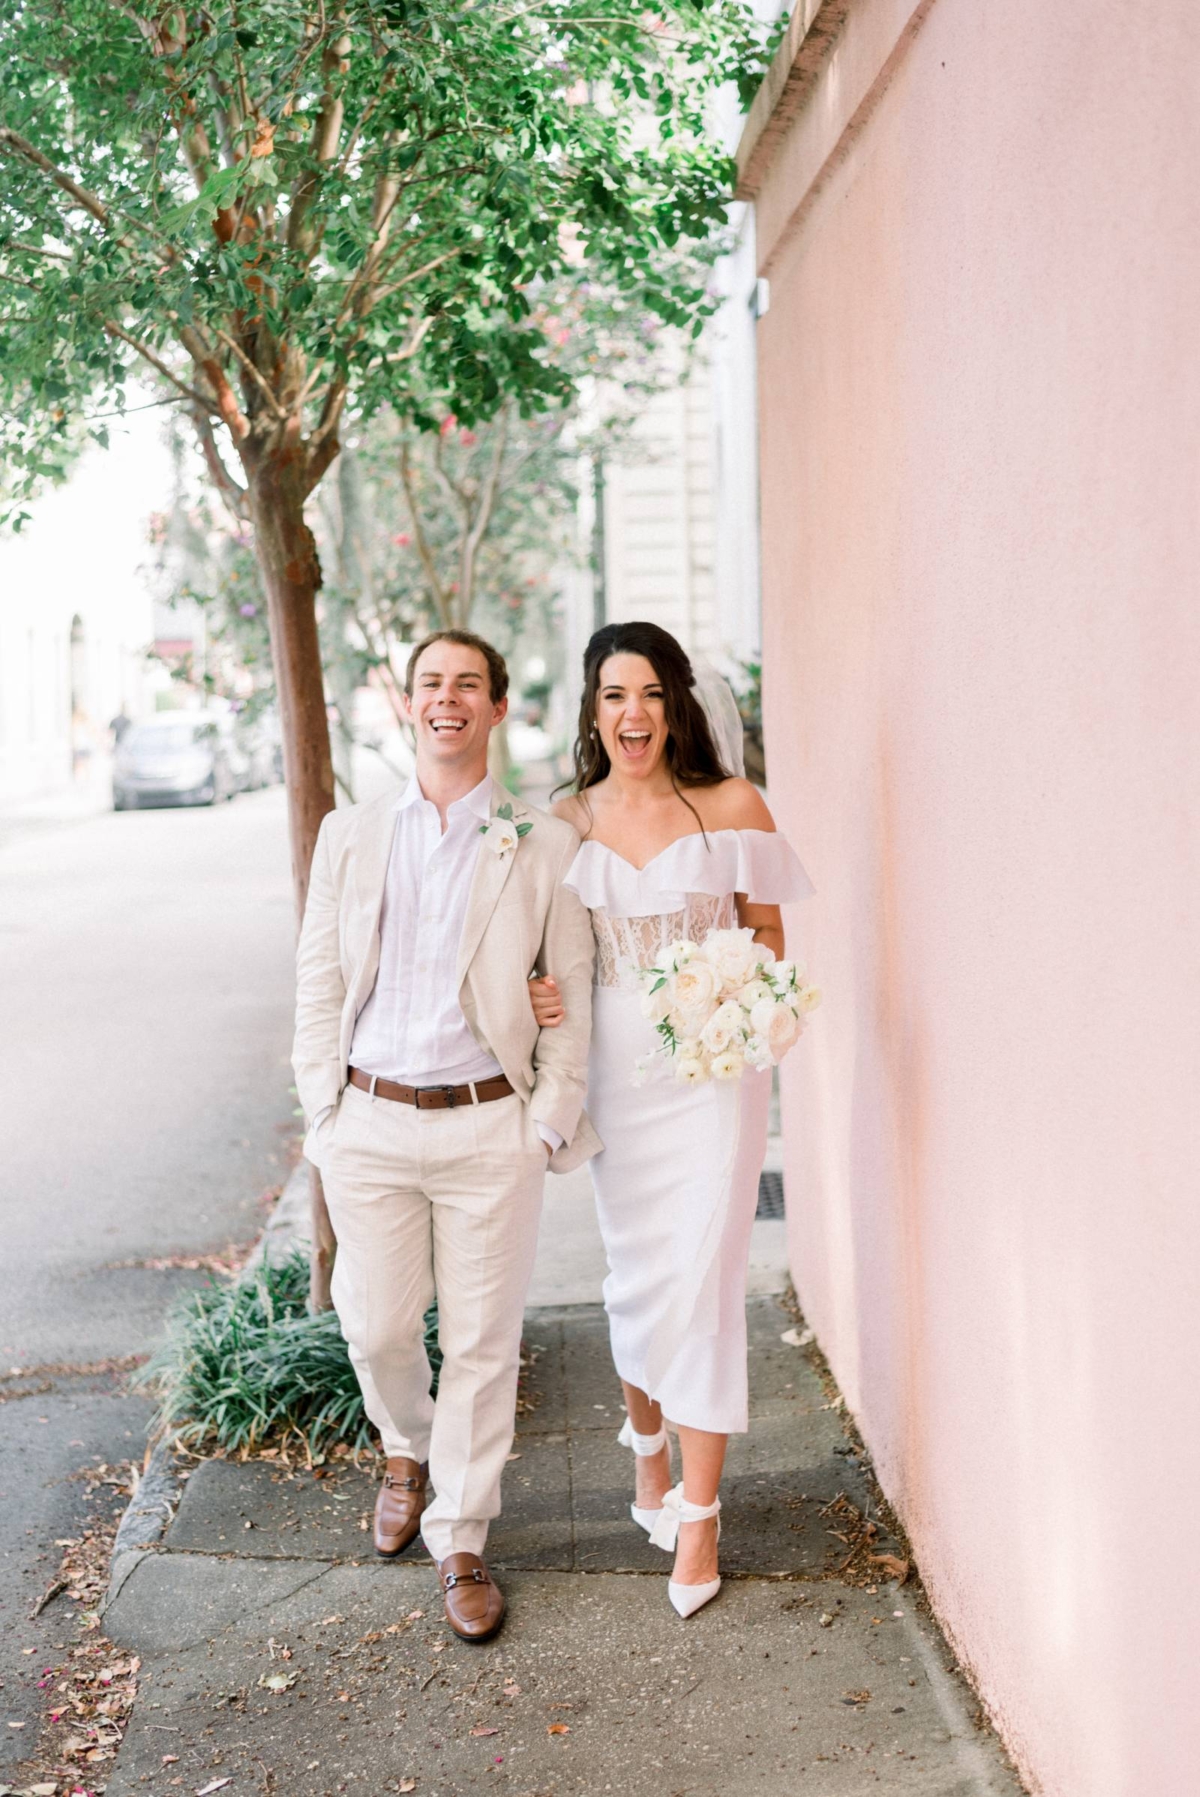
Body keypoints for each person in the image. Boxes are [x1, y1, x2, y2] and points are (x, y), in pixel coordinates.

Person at [292, 628, 598, 1643]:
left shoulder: (543, 844)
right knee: (376, 1328)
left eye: (469, 683)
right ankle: (404, 1450)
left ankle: (461, 1537)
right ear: (408, 704)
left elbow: (574, 994)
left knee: (480, 1343)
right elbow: (319, 978)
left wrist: (546, 1126)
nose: (448, 698)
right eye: (432, 682)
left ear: (498, 708)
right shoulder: (352, 833)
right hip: (370, 1119)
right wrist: (323, 1112)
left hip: (486, 1129)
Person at [528, 621, 812, 1618]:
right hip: (617, 1078)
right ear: (593, 711)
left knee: (706, 1279)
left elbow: (768, 934)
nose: (633, 714)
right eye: (614, 695)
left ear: (677, 702)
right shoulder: (564, 820)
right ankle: (647, 1450)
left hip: (717, 1073)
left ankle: (699, 1515)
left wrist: (754, 1005)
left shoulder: (733, 804)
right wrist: (541, 1000)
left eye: (649, 693)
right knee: (639, 1278)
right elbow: (537, 955)